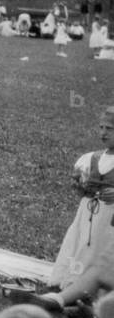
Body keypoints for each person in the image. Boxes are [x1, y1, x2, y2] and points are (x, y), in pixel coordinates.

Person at [50, 107, 114, 290]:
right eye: (101, 127)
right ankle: (71, 281)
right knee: (82, 242)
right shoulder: (92, 158)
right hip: (88, 213)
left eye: (109, 129)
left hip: (110, 220)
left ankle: (93, 286)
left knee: (102, 248)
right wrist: (79, 187)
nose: (103, 132)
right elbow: (82, 190)